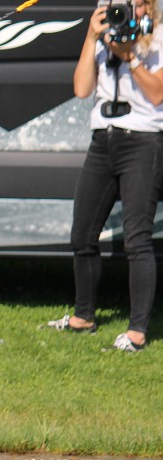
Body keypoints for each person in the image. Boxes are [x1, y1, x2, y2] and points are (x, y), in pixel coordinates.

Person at [46, 0, 163, 352]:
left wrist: (129, 56)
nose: (128, 11)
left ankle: (137, 332)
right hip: (102, 141)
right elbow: (82, 89)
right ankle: (84, 317)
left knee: (137, 239)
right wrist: (91, 35)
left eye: (137, 5)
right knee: (82, 233)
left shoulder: (158, 38)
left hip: (142, 142)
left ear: (149, 7)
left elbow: (157, 94)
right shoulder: (103, 38)